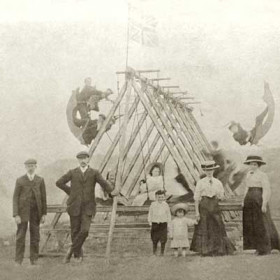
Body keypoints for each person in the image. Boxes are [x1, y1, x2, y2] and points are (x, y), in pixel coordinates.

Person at [56, 151, 118, 264]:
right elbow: (59, 182)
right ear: (78, 160)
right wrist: (71, 192)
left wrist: (113, 191)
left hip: (88, 207)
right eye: (80, 159)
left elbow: (104, 183)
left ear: (88, 159)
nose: (83, 161)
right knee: (75, 231)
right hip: (74, 206)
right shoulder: (72, 172)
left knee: (85, 230)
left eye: (84, 158)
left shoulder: (94, 172)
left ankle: (70, 251)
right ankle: (77, 256)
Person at [190, 160, 236, 256]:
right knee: (204, 226)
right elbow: (196, 198)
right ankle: (205, 250)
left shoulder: (218, 182)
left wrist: (222, 196)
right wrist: (197, 212)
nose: (209, 172)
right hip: (204, 204)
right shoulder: (200, 182)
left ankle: (218, 249)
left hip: (214, 204)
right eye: (207, 170)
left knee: (217, 225)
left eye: (211, 170)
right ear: (205, 171)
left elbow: (221, 195)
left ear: (214, 170)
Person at [242, 155, 280, 255]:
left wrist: (264, 203)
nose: (252, 166)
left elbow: (266, 189)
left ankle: (266, 248)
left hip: (259, 199)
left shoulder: (262, 175)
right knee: (252, 223)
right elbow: (246, 187)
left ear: (258, 165)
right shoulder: (248, 174)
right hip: (249, 200)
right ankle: (256, 247)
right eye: (251, 164)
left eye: (255, 164)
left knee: (262, 223)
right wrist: (243, 200)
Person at [13, 159, 47, 266]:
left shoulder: (40, 180)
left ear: (36, 166)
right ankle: (18, 260)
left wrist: (44, 214)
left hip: (36, 213)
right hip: (22, 213)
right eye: (28, 166)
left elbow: (43, 198)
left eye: (32, 165)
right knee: (20, 236)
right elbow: (15, 198)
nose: (30, 167)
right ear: (25, 167)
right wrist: (16, 214)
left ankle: (34, 259)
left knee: (35, 236)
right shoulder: (20, 180)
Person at [148, 190, 171, 256]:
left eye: (162, 197)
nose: (160, 198)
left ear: (164, 197)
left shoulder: (166, 205)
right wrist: (150, 222)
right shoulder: (153, 204)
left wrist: (168, 223)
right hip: (155, 223)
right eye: (159, 197)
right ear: (156, 197)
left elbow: (168, 214)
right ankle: (154, 252)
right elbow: (150, 213)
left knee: (163, 238)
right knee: (154, 238)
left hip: (163, 224)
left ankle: (162, 252)